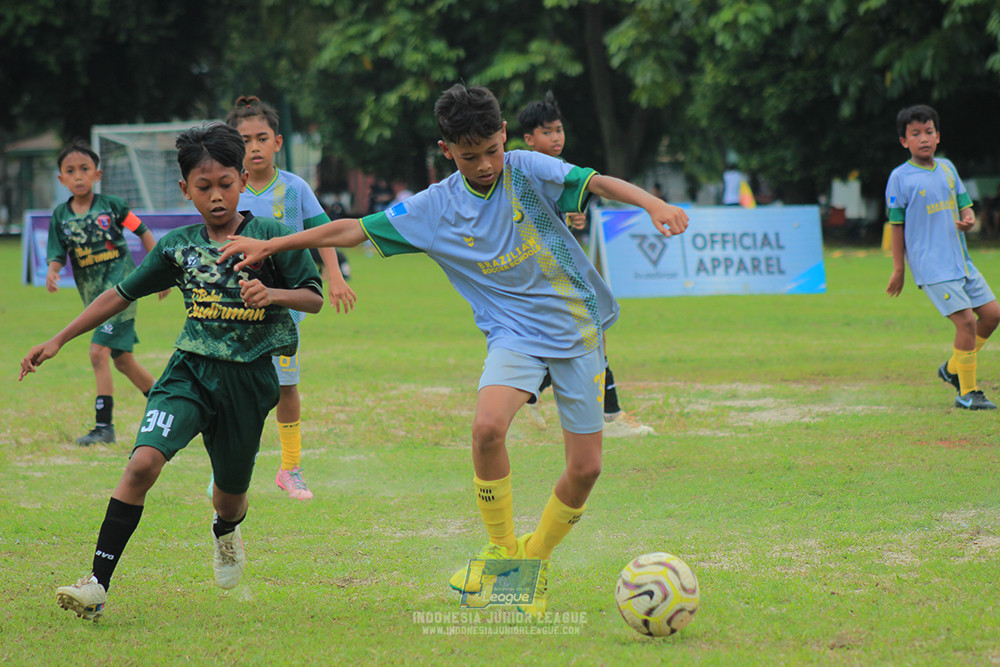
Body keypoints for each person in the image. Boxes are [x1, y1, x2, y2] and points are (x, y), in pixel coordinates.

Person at [217, 84, 689, 616]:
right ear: (447, 152)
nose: (485, 164)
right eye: (470, 156)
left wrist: (653, 202)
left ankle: (529, 562)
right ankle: (500, 549)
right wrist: (271, 243)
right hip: (514, 334)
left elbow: (595, 181)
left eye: (491, 150)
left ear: (504, 136)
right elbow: (351, 229)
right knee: (487, 428)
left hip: (579, 331)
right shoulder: (437, 207)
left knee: (585, 469)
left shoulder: (528, 169)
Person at [20, 122, 324, 621]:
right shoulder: (176, 246)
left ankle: (226, 532)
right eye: (203, 188)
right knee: (142, 464)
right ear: (186, 190)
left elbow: (312, 298)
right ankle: (96, 583)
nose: (217, 196)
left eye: (226, 183)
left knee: (229, 499)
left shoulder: (272, 236)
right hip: (189, 373)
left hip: (248, 381)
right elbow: (120, 294)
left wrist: (273, 295)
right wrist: (58, 339)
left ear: (243, 181)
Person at [225, 96, 357, 500]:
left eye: (262, 138)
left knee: (286, 386)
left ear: (278, 141)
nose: (255, 147)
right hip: (237, 305)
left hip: (286, 305)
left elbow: (325, 233)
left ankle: (290, 468)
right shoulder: (230, 188)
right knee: (237, 387)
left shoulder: (295, 188)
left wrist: (333, 276)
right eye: (245, 139)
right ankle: (229, 469)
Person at [518, 91, 654, 437]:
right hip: (545, 276)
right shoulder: (527, 171)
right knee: (591, 333)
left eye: (559, 129)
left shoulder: (554, 172)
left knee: (588, 335)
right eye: (547, 132)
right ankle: (609, 415)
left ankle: (530, 395)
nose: (556, 137)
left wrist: (570, 220)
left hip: (558, 274)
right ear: (528, 139)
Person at [46, 141, 163, 446]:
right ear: (61, 179)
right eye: (70, 171)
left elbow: (143, 232)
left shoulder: (112, 206)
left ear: (97, 174)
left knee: (98, 352)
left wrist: (159, 271)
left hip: (122, 291)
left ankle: (104, 427)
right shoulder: (60, 217)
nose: (79, 176)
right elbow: (57, 253)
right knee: (122, 360)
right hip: (93, 299)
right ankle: (168, 403)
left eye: (85, 169)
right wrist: (53, 271)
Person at [885, 104, 1000, 410]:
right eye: (915, 133)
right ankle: (968, 391)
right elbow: (896, 227)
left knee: (991, 315)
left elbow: (965, 205)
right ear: (904, 141)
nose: (924, 138)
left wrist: (969, 218)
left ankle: (952, 368)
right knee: (965, 322)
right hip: (931, 266)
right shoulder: (900, 178)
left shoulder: (948, 168)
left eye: (929, 131)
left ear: (938, 136)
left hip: (961, 262)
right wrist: (899, 268)